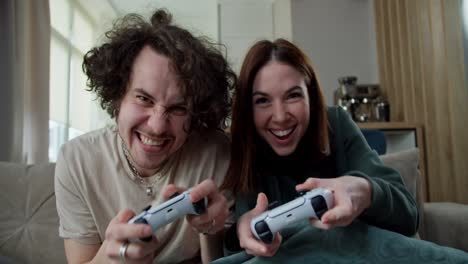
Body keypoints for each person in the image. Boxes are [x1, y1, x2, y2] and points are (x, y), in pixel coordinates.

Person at [217, 39, 468, 263]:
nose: (280, 117)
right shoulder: (243, 145)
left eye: (293, 95)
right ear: (248, 110)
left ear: (311, 97)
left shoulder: (335, 123)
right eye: (262, 100)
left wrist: (364, 191)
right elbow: (241, 250)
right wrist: (242, 228)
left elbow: (408, 216)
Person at [54, 9, 236, 264]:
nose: (157, 126)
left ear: (195, 114)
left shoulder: (216, 153)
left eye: (178, 108)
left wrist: (212, 230)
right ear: (118, 96)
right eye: (143, 98)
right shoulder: (77, 160)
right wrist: (113, 258)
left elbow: (219, 259)